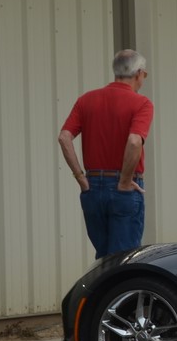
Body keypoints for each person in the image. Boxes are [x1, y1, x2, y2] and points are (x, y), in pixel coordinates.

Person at [58, 49, 154, 259]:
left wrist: (80, 177)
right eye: (144, 75)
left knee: (104, 259)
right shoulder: (141, 103)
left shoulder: (86, 101)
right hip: (123, 190)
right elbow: (135, 140)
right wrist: (125, 181)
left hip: (92, 188)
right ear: (138, 73)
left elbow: (64, 137)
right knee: (123, 261)